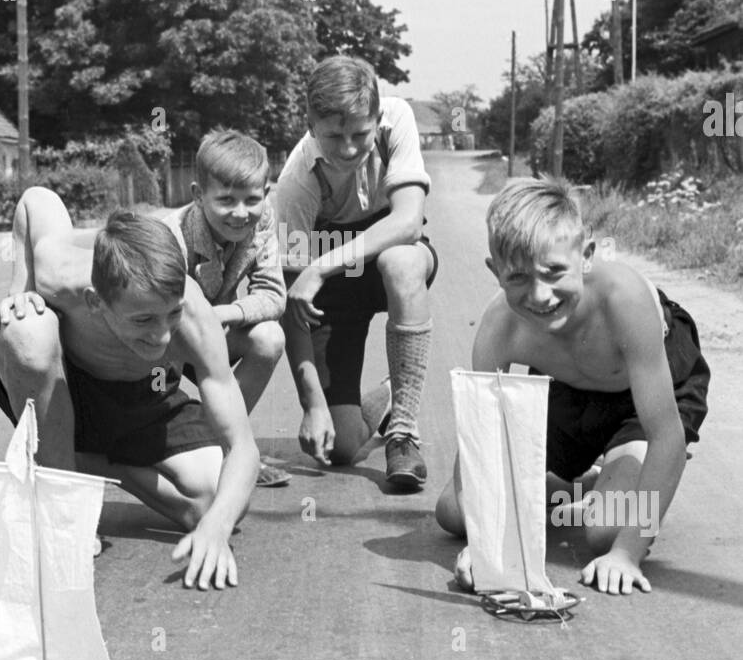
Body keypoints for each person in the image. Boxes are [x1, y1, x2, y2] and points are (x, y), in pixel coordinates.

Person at [435, 175, 710, 595]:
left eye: (554, 272)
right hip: (565, 386)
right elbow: (482, 438)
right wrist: (487, 547)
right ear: (495, 271)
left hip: (645, 394)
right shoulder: (500, 329)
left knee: (607, 529)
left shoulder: (625, 301)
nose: (539, 296)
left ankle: (618, 480)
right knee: (454, 514)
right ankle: (577, 486)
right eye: (518, 278)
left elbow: (666, 436)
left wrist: (628, 552)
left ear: (586, 256)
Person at [0, 186, 259, 590]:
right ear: (96, 303)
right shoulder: (58, 273)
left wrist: (217, 528)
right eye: (143, 320)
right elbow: (36, 198)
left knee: (215, 501)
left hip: (144, 400)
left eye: (171, 314)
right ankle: (64, 509)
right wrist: (19, 292)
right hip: (67, 394)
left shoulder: (194, 318)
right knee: (25, 329)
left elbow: (243, 446)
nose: (162, 336)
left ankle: (93, 465)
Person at [275, 55, 437, 489]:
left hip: (385, 264)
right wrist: (311, 403)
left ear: (377, 116)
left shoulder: (397, 117)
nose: (348, 148)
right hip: (335, 292)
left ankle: (403, 430)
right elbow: (295, 301)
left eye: (359, 133)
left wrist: (322, 263)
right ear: (310, 124)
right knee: (341, 448)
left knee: (400, 260)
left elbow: (407, 221)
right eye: (333, 135)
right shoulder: (294, 184)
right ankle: (382, 401)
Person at [164, 128, 289, 487]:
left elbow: (273, 294)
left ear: (266, 194)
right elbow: (159, 314)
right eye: (226, 200)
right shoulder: (172, 235)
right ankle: (180, 450)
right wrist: (203, 319)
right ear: (198, 196)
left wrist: (224, 314)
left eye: (252, 199)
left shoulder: (263, 220)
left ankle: (228, 446)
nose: (240, 213)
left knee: (269, 337)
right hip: (166, 342)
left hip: (215, 331)